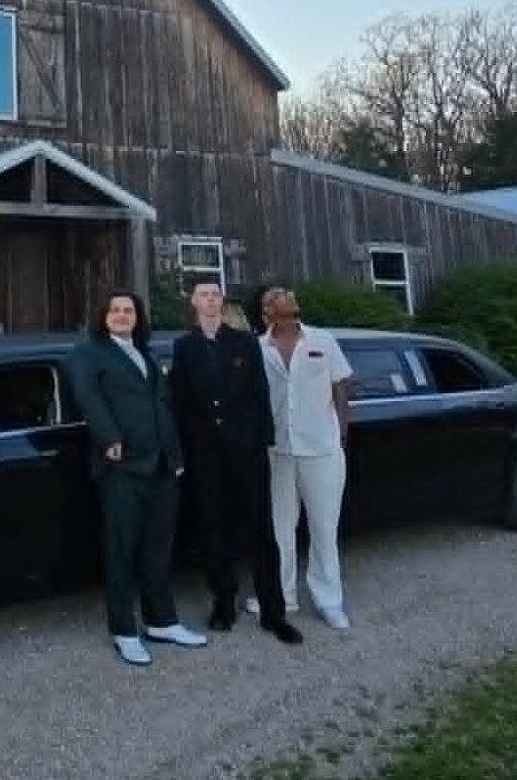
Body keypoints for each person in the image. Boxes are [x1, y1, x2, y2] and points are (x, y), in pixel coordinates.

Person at [62, 289, 210, 667]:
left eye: (129, 310)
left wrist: (176, 456)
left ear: (138, 317)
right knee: (121, 549)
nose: (123, 315)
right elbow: (87, 395)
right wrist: (109, 437)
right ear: (103, 315)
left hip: (162, 465)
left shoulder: (145, 353)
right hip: (122, 466)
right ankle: (124, 630)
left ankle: (162, 620)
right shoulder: (89, 352)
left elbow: (163, 404)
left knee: (159, 547)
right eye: (115, 310)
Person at [168, 277, 304, 645]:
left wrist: (262, 441)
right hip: (207, 456)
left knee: (262, 532)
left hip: (247, 453)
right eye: (203, 296)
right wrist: (185, 451)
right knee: (214, 532)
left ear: (221, 302)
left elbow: (260, 393)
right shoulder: (183, 348)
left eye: (215, 295)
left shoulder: (243, 342)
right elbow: (179, 403)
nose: (211, 301)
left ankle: (274, 613)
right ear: (193, 303)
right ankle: (223, 603)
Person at [256, 285, 355, 630]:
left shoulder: (322, 340)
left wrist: (341, 431)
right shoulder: (259, 348)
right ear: (266, 312)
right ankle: (282, 595)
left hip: (321, 448)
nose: (281, 304)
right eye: (273, 300)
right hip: (278, 451)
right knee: (280, 528)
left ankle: (330, 600)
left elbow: (342, 383)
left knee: (324, 528)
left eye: (285, 298)